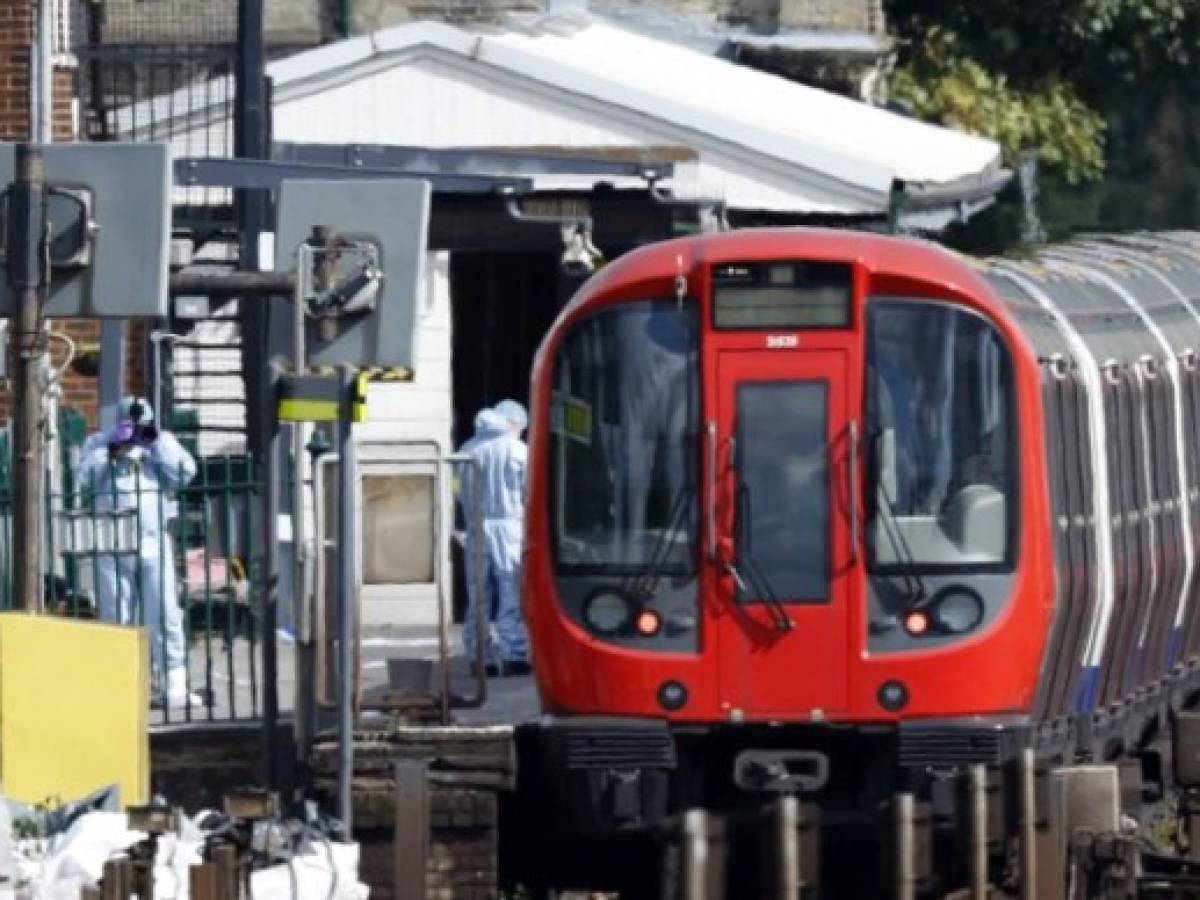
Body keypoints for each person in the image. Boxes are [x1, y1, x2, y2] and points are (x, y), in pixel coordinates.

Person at [75, 397, 199, 707]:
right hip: (113, 543)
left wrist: (156, 444)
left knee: (165, 612)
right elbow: (81, 481)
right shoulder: (98, 444)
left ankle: (173, 681)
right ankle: (123, 682)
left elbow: (186, 473)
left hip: (154, 540)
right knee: (117, 614)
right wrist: (111, 450)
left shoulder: (161, 443)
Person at [458, 399, 530, 677]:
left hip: (476, 525)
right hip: (510, 525)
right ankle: (514, 653)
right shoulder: (518, 450)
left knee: (478, 591)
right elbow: (529, 491)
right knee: (510, 587)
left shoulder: (467, 449)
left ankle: (480, 655)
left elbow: (455, 489)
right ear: (513, 424)